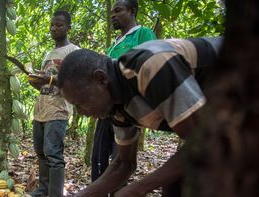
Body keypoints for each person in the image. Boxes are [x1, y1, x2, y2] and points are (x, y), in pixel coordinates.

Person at [58, 37, 222, 196]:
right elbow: (123, 164)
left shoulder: (150, 66)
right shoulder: (118, 109)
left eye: (81, 103)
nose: (81, 112)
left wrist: (138, 188)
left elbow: (205, 142)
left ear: (100, 78)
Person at [91, 0, 156, 182]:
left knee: (119, 160)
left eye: (118, 10)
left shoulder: (142, 33)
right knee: (98, 159)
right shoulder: (113, 45)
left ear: (132, 11)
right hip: (107, 109)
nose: (112, 15)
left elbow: (150, 64)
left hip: (129, 110)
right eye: (111, 12)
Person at [27, 10, 79, 197]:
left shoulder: (73, 51)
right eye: (52, 25)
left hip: (59, 109)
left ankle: (55, 194)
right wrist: (36, 82)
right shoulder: (49, 53)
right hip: (41, 108)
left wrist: (50, 79)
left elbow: (75, 81)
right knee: (40, 152)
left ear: (68, 28)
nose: (54, 28)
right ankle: (43, 190)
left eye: (59, 25)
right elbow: (45, 86)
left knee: (53, 154)